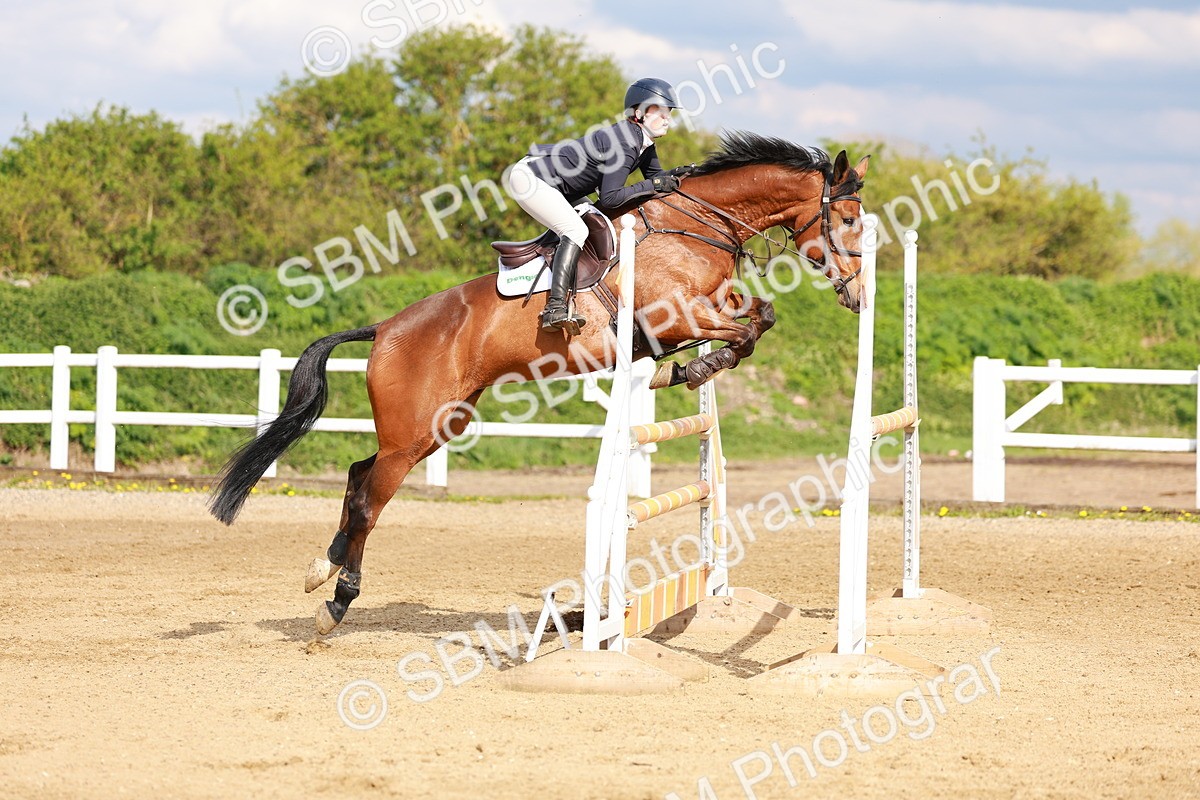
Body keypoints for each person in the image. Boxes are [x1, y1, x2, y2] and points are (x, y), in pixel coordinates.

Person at [503, 78, 691, 333]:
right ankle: (554, 308)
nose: (668, 118)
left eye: (669, 112)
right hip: (531, 178)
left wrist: (685, 176)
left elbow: (656, 178)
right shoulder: (625, 142)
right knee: (576, 230)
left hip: (558, 185)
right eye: (660, 111)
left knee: (597, 222)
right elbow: (611, 197)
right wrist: (655, 184)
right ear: (639, 113)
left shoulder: (643, 144)